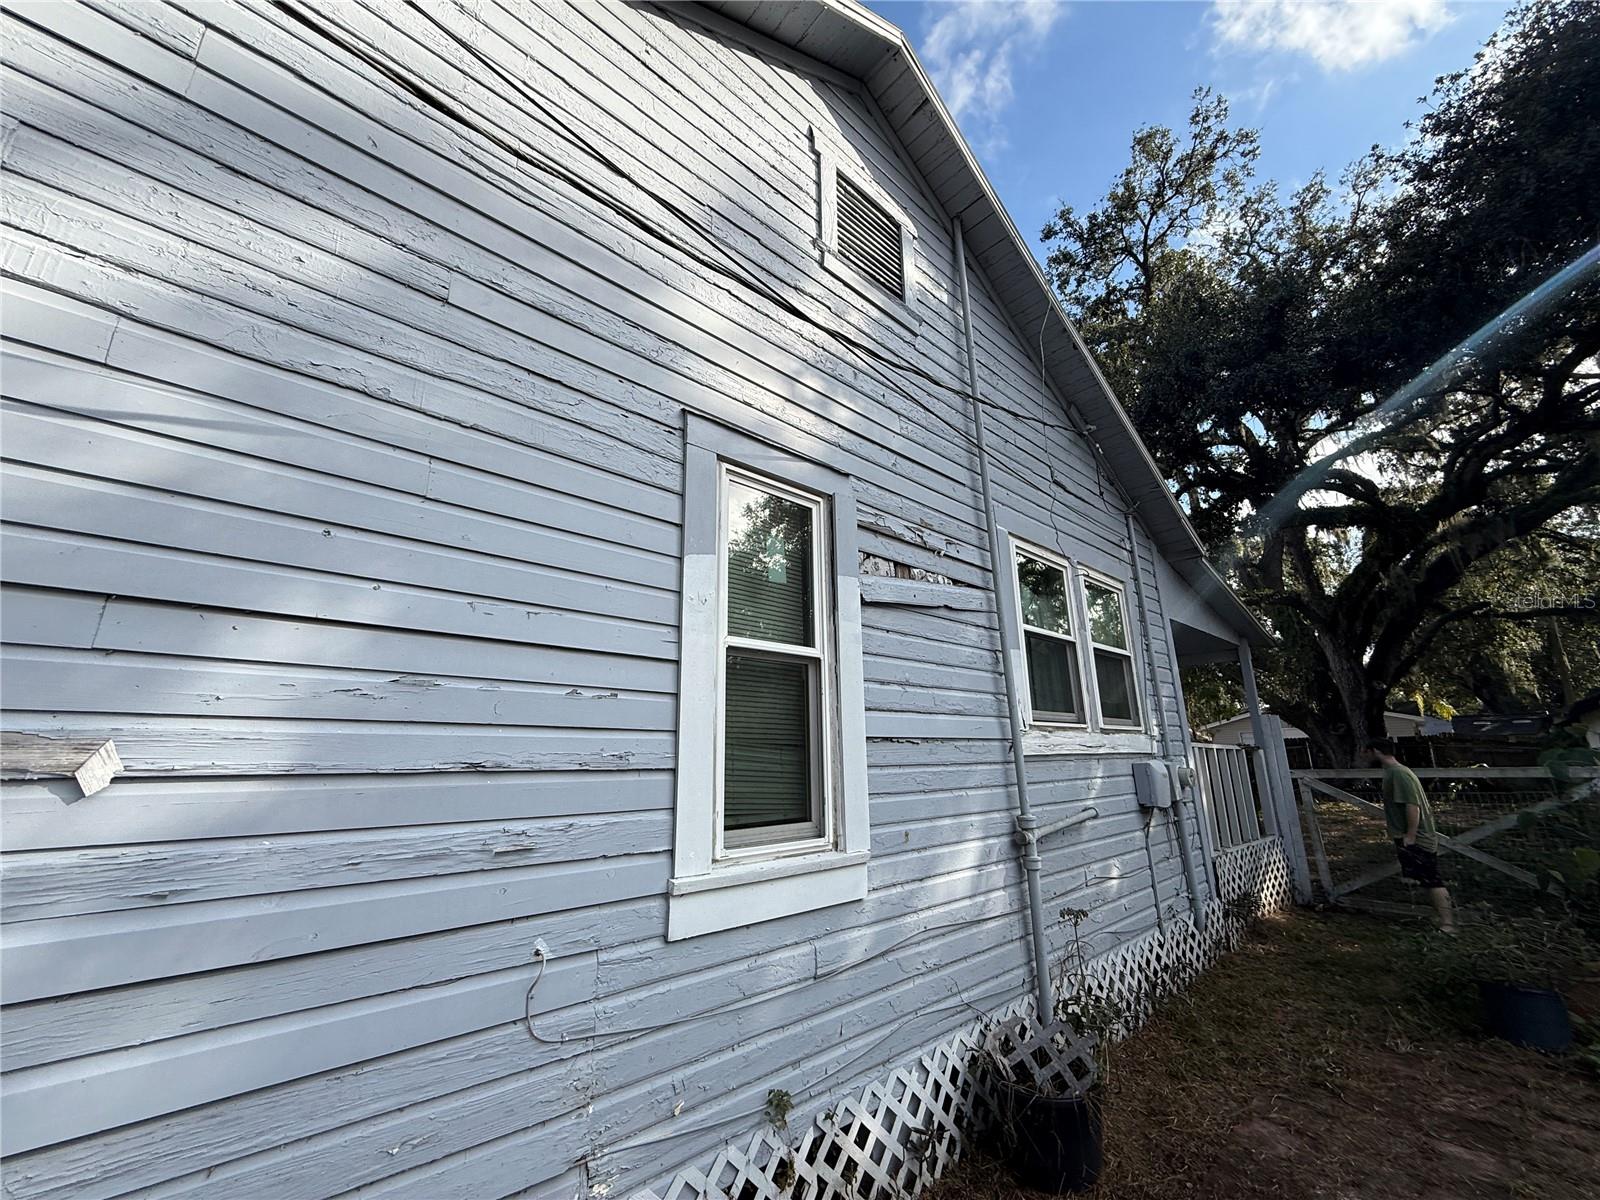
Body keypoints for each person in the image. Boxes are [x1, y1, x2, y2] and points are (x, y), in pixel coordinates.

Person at [1366, 738, 1456, 932]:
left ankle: (1448, 924)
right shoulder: (1393, 772)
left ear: (1376, 751)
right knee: (1425, 880)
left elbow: (1412, 806)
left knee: (1432, 879)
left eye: (1366, 752)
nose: (1364, 756)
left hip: (1418, 836)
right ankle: (1440, 918)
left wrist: (1411, 835)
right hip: (1409, 835)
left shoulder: (1399, 774)